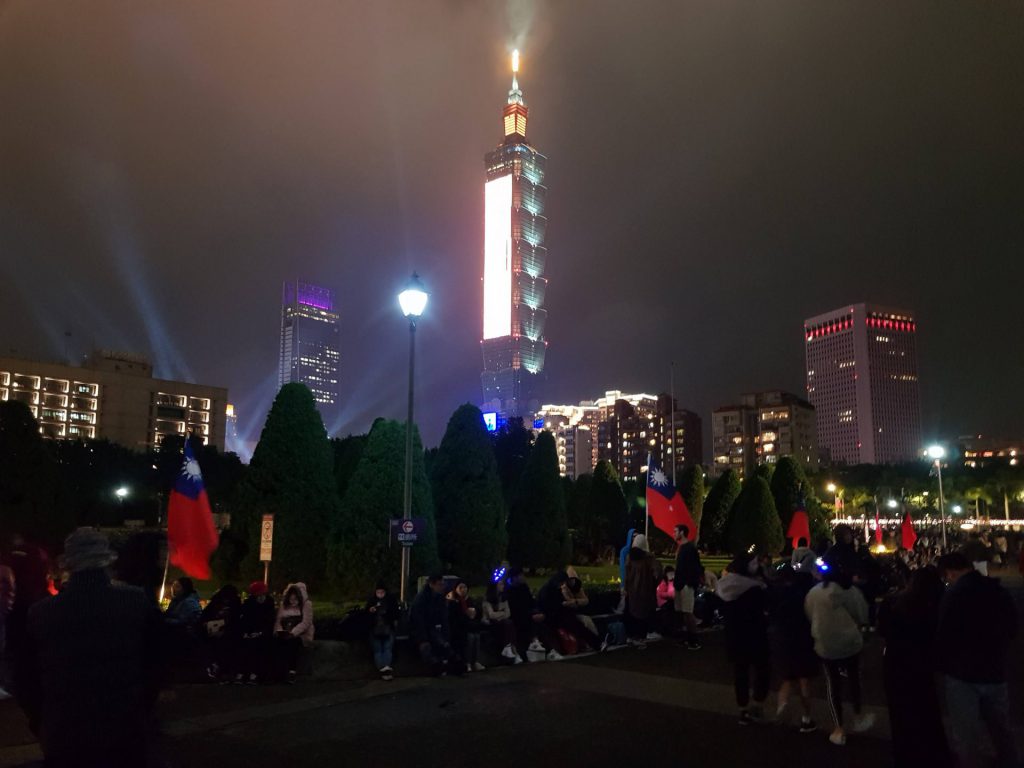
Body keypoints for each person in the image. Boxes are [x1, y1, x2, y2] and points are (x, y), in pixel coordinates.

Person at [15, 528, 162, 768]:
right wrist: (142, 709)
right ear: (107, 561)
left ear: (68, 565)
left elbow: (25, 678)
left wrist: (40, 721)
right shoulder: (136, 602)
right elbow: (155, 665)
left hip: (63, 732)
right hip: (124, 728)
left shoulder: (41, 613)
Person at [936, 552, 1018, 768]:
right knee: (1002, 730)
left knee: (966, 736)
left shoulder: (953, 595)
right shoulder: (997, 590)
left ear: (950, 573)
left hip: (963, 674)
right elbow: (1012, 627)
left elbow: (943, 634)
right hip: (994, 670)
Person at [877, 566, 951, 768]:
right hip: (922, 663)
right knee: (927, 708)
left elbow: (882, 630)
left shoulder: (893, 602)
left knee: (900, 711)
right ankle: (933, 753)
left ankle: (904, 754)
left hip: (895, 662)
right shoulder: (936, 603)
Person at [804, 559, 873, 746]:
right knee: (853, 679)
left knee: (832, 685)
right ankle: (858, 716)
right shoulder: (849, 591)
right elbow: (862, 614)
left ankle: (838, 728)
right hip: (849, 641)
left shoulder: (814, 593)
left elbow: (810, 614)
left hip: (825, 643)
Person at [718, 555, 770, 726]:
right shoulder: (755, 588)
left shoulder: (724, 586)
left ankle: (743, 709)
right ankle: (757, 703)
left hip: (734, 635)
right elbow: (765, 607)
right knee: (762, 669)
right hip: (755, 634)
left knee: (740, 672)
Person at [769, 555, 818, 734]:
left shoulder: (775, 594)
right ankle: (806, 718)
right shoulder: (802, 593)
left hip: (782, 639)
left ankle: (781, 708)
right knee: (804, 681)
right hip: (802, 639)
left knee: (787, 679)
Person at [537, 571, 601, 654]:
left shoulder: (555, 588)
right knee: (578, 626)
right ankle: (596, 644)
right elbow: (550, 607)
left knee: (579, 625)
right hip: (553, 616)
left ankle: (596, 643)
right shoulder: (548, 591)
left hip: (559, 615)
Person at [410, 574, 453, 675]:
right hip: (423, 630)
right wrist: (423, 638)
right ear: (431, 585)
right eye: (439, 585)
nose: (442, 587)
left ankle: (445, 663)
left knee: (443, 643)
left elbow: (443, 617)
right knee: (428, 646)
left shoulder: (439, 597)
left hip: (433, 628)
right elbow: (417, 620)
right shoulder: (421, 599)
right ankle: (436, 666)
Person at [235, 581, 275, 684]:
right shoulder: (249, 604)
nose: (261, 597)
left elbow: (269, 621)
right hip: (250, 631)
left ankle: (255, 673)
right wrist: (246, 632)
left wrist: (261, 632)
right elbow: (245, 620)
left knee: (258, 646)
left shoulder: (269, 604)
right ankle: (242, 672)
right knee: (244, 645)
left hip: (263, 633)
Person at [624, 534, 660, 647]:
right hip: (645, 591)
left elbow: (626, 574)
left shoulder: (630, 557)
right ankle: (640, 637)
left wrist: (625, 587)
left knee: (631, 612)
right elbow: (657, 573)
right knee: (643, 614)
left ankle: (631, 635)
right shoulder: (649, 558)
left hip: (632, 591)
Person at [274, 582, 314, 684]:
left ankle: (292, 672)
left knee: (292, 644)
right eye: (291, 599)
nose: (293, 602)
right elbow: (278, 620)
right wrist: (278, 631)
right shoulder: (284, 605)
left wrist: (293, 633)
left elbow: (306, 622)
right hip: (285, 631)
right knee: (277, 643)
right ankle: (278, 672)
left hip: (301, 634)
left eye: (295, 599)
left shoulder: (306, 604)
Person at [506, 568, 550, 661]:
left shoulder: (524, 587)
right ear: (514, 578)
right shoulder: (509, 591)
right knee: (529, 623)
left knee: (542, 621)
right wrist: (531, 615)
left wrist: (538, 611)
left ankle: (547, 648)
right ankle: (533, 643)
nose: (523, 577)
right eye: (521, 575)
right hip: (517, 616)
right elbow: (515, 609)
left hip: (528, 613)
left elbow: (530, 602)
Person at [199, 584, 241, 681]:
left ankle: (218, 670)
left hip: (224, 633)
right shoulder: (227, 603)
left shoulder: (219, 602)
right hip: (216, 632)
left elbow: (234, 621)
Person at [673, 524, 703, 650]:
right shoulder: (682, 547)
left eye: (676, 531)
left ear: (682, 532)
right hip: (681, 583)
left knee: (688, 612)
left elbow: (695, 566)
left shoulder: (689, 548)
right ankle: (687, 637)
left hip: (686, 584)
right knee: (683, 612)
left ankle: (694, 639)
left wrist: (690, 582)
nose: (674, 534)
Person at [481, 578, 520, 663]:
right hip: (490, 623)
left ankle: (509, 648)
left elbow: (508, 613)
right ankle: (511, 649)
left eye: (503, 584)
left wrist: (499, 615)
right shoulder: (488, 599)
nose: (503, 586)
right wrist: (502, 613)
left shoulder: (503, 598)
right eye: (500, 584)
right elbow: (491, 615)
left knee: (509, 623)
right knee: (508, 623)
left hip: (502, 622)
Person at [367, 582, 398, 680]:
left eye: (382, 592)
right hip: (375, 630)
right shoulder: (372, 601)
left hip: (387, 629)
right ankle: (384, 668)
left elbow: (395, 614)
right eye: (378, 592)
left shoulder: (391, 601)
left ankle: (385, 668)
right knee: (379, 649)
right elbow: (366, 614)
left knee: (386, 648)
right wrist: (370, 611)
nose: (380, 594)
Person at [655, 566, 676, 634]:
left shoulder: (673, 582)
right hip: (664, 603)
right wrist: (670, 595)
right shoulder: (664, 582)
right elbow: (661, 594)